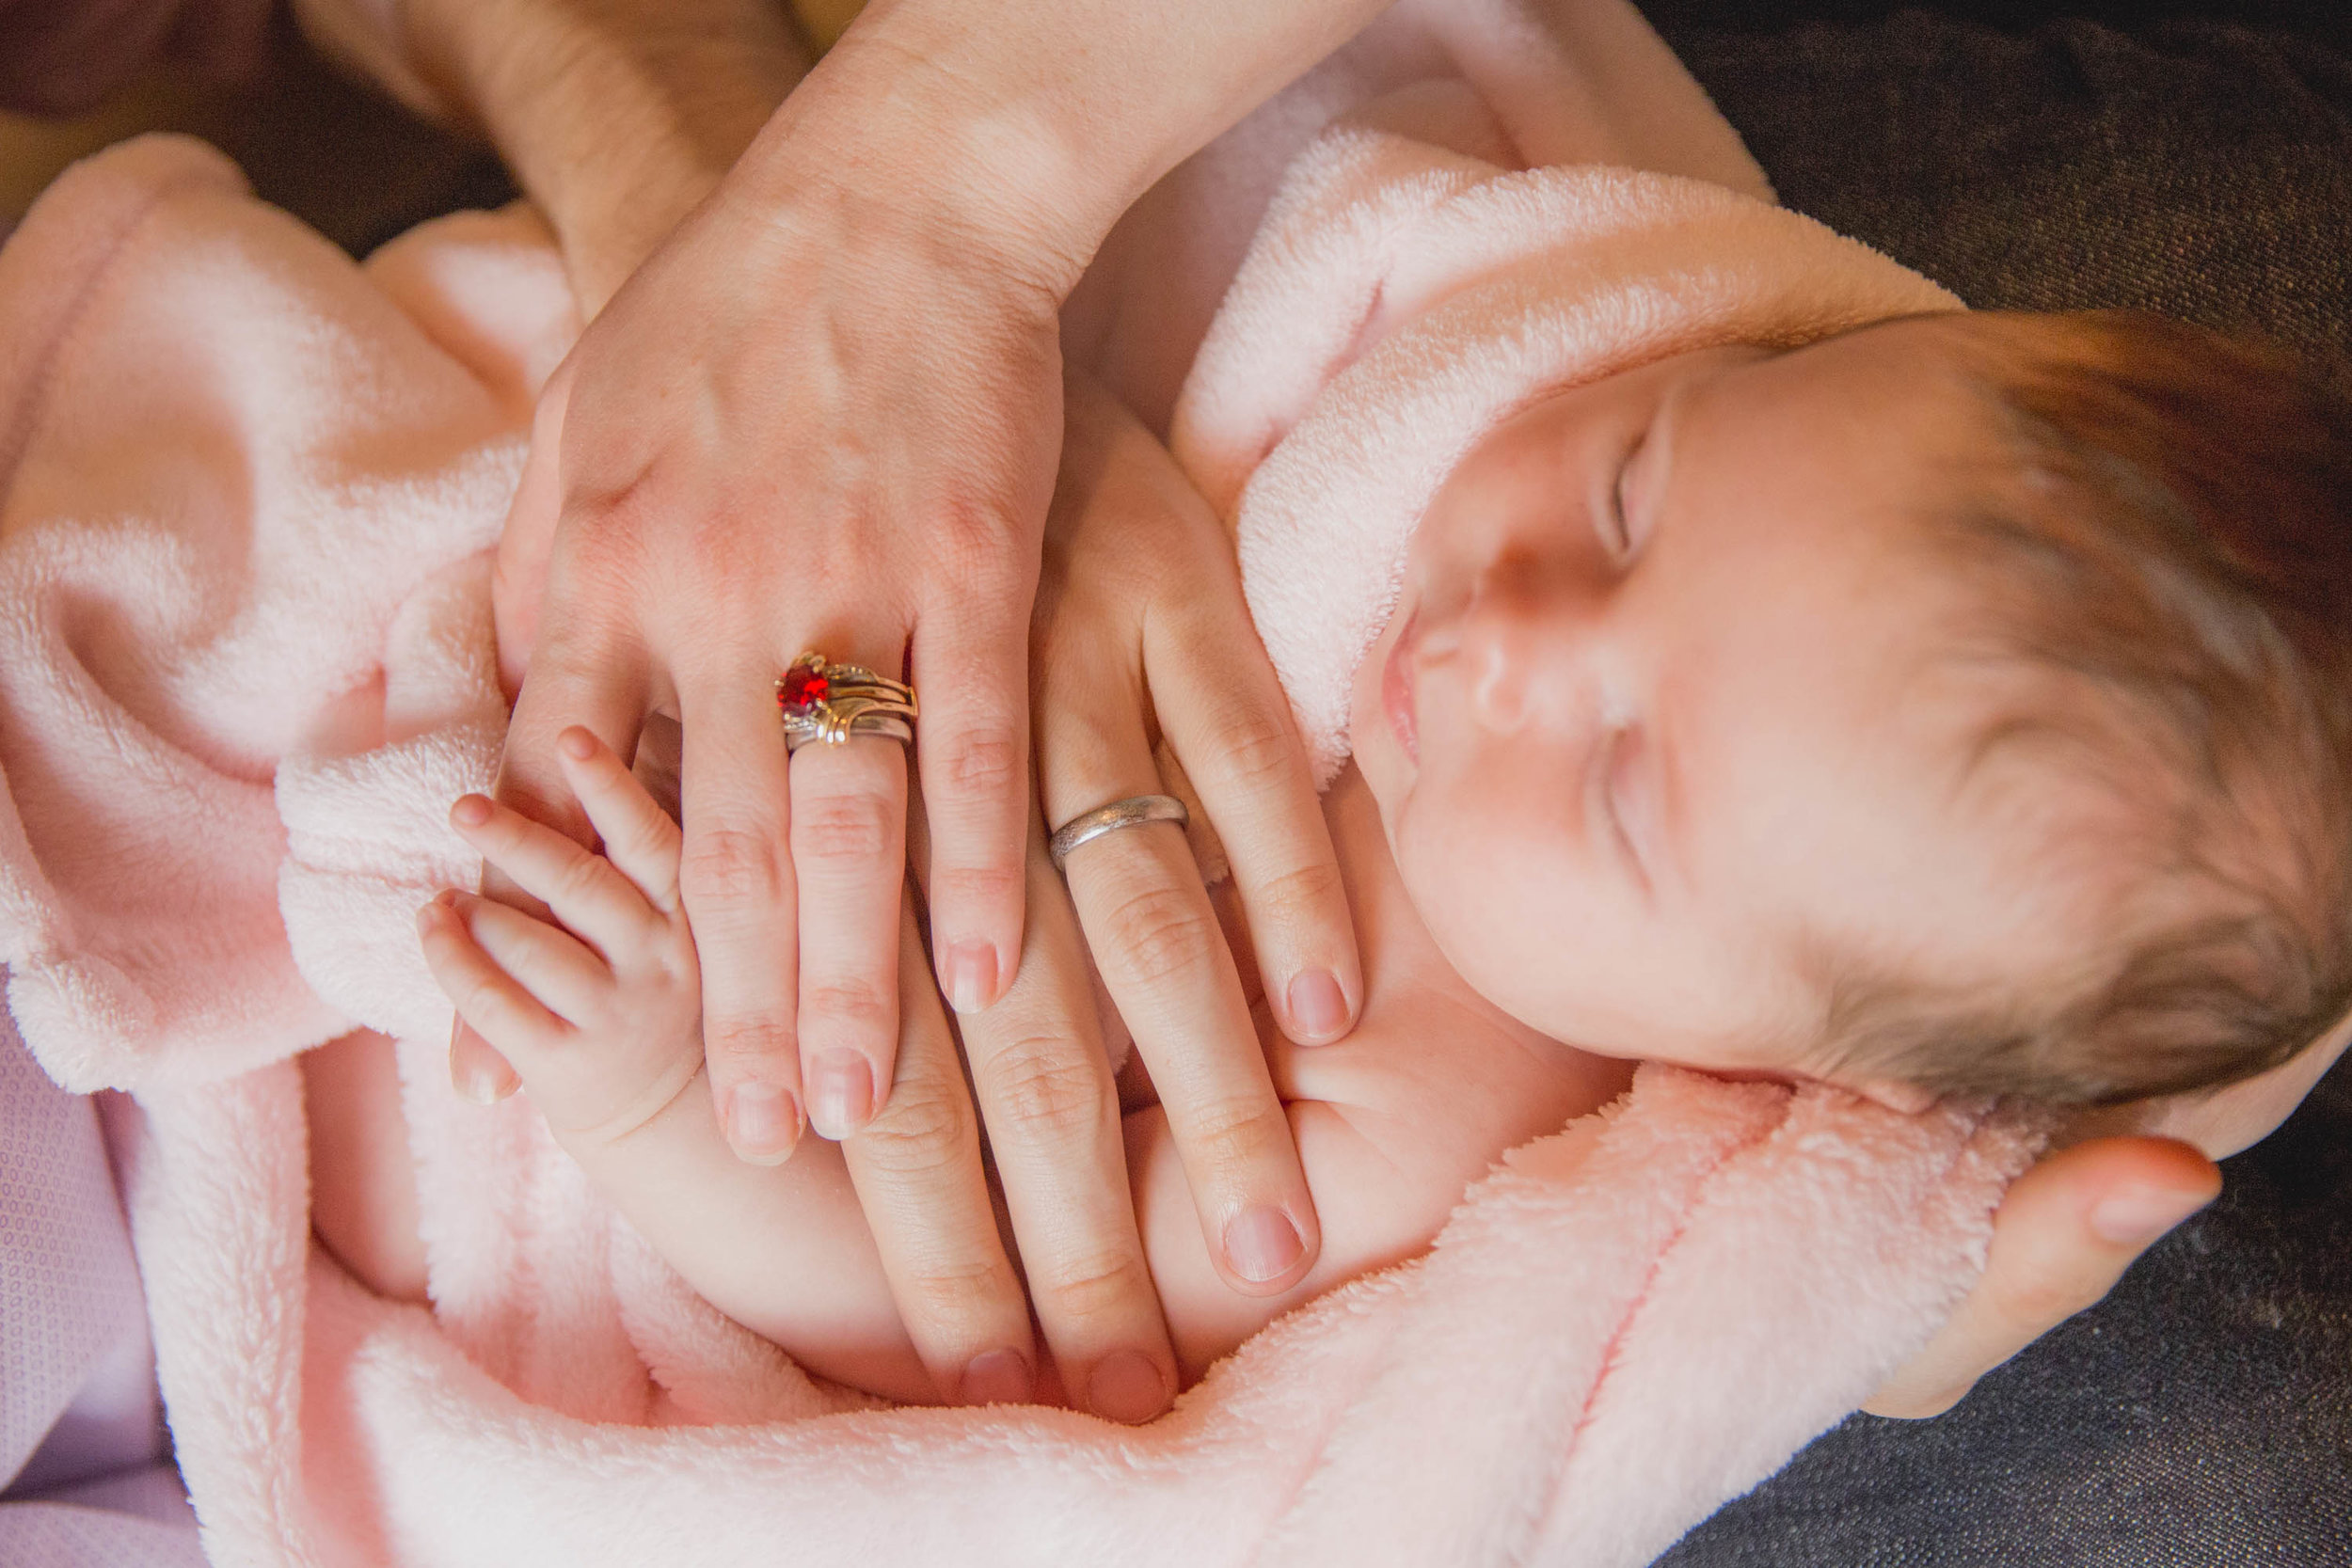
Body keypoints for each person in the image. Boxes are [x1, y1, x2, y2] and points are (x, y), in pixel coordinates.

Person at [4, 0, 2342, 1437]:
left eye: (1622, 789)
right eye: (1631, 494)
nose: (1503, 627)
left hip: (396, 1097)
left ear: (1799, 1048)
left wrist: (642, 1089)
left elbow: (974, 1317)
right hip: (466, 574)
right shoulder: (1516, 332)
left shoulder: (1428, 1090)